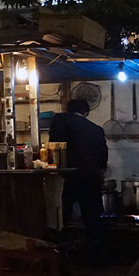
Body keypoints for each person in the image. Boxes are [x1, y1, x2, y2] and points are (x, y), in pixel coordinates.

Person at [49, 98, 108, 265]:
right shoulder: (97, 130)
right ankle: (95, 258)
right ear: (86, 113)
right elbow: (103, 157)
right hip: (91, 177)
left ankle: (62, 255)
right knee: (93, 218)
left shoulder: (60, 121)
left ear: (68, 109)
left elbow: (54, 147)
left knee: (63, 217)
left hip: (68, 176)